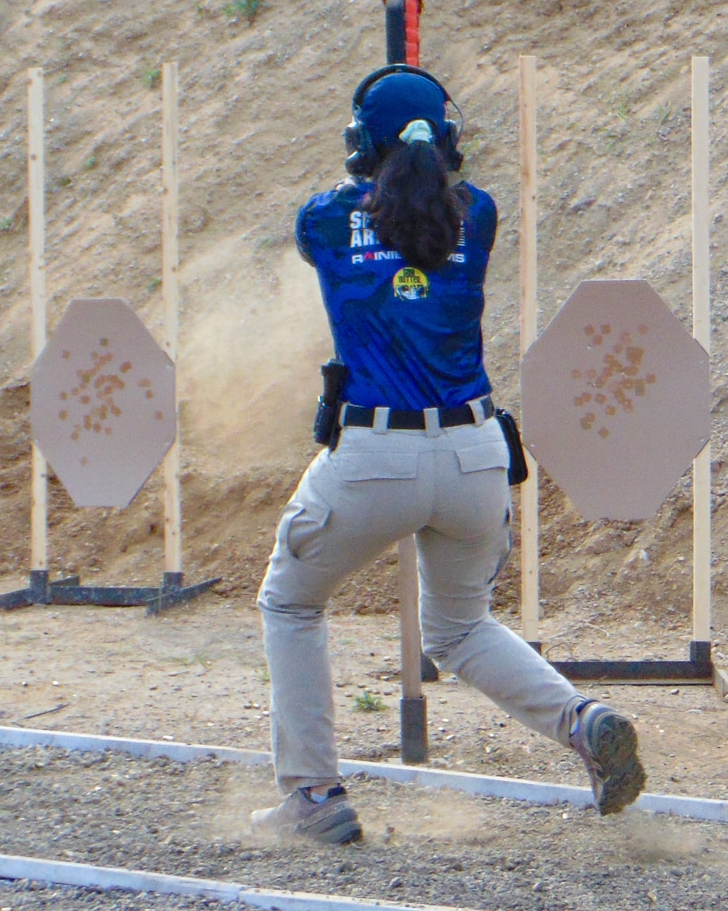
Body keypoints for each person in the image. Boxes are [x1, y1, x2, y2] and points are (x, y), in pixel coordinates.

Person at [250, 65, 646, 845]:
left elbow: (352, 219)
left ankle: (314, 793)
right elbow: (432, 218)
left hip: (373, 455)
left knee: (291, 602)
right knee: (461, 629)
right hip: (473, 459)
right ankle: (583, 720)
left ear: (367, 145)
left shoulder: (325, 219)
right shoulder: (483, 214)